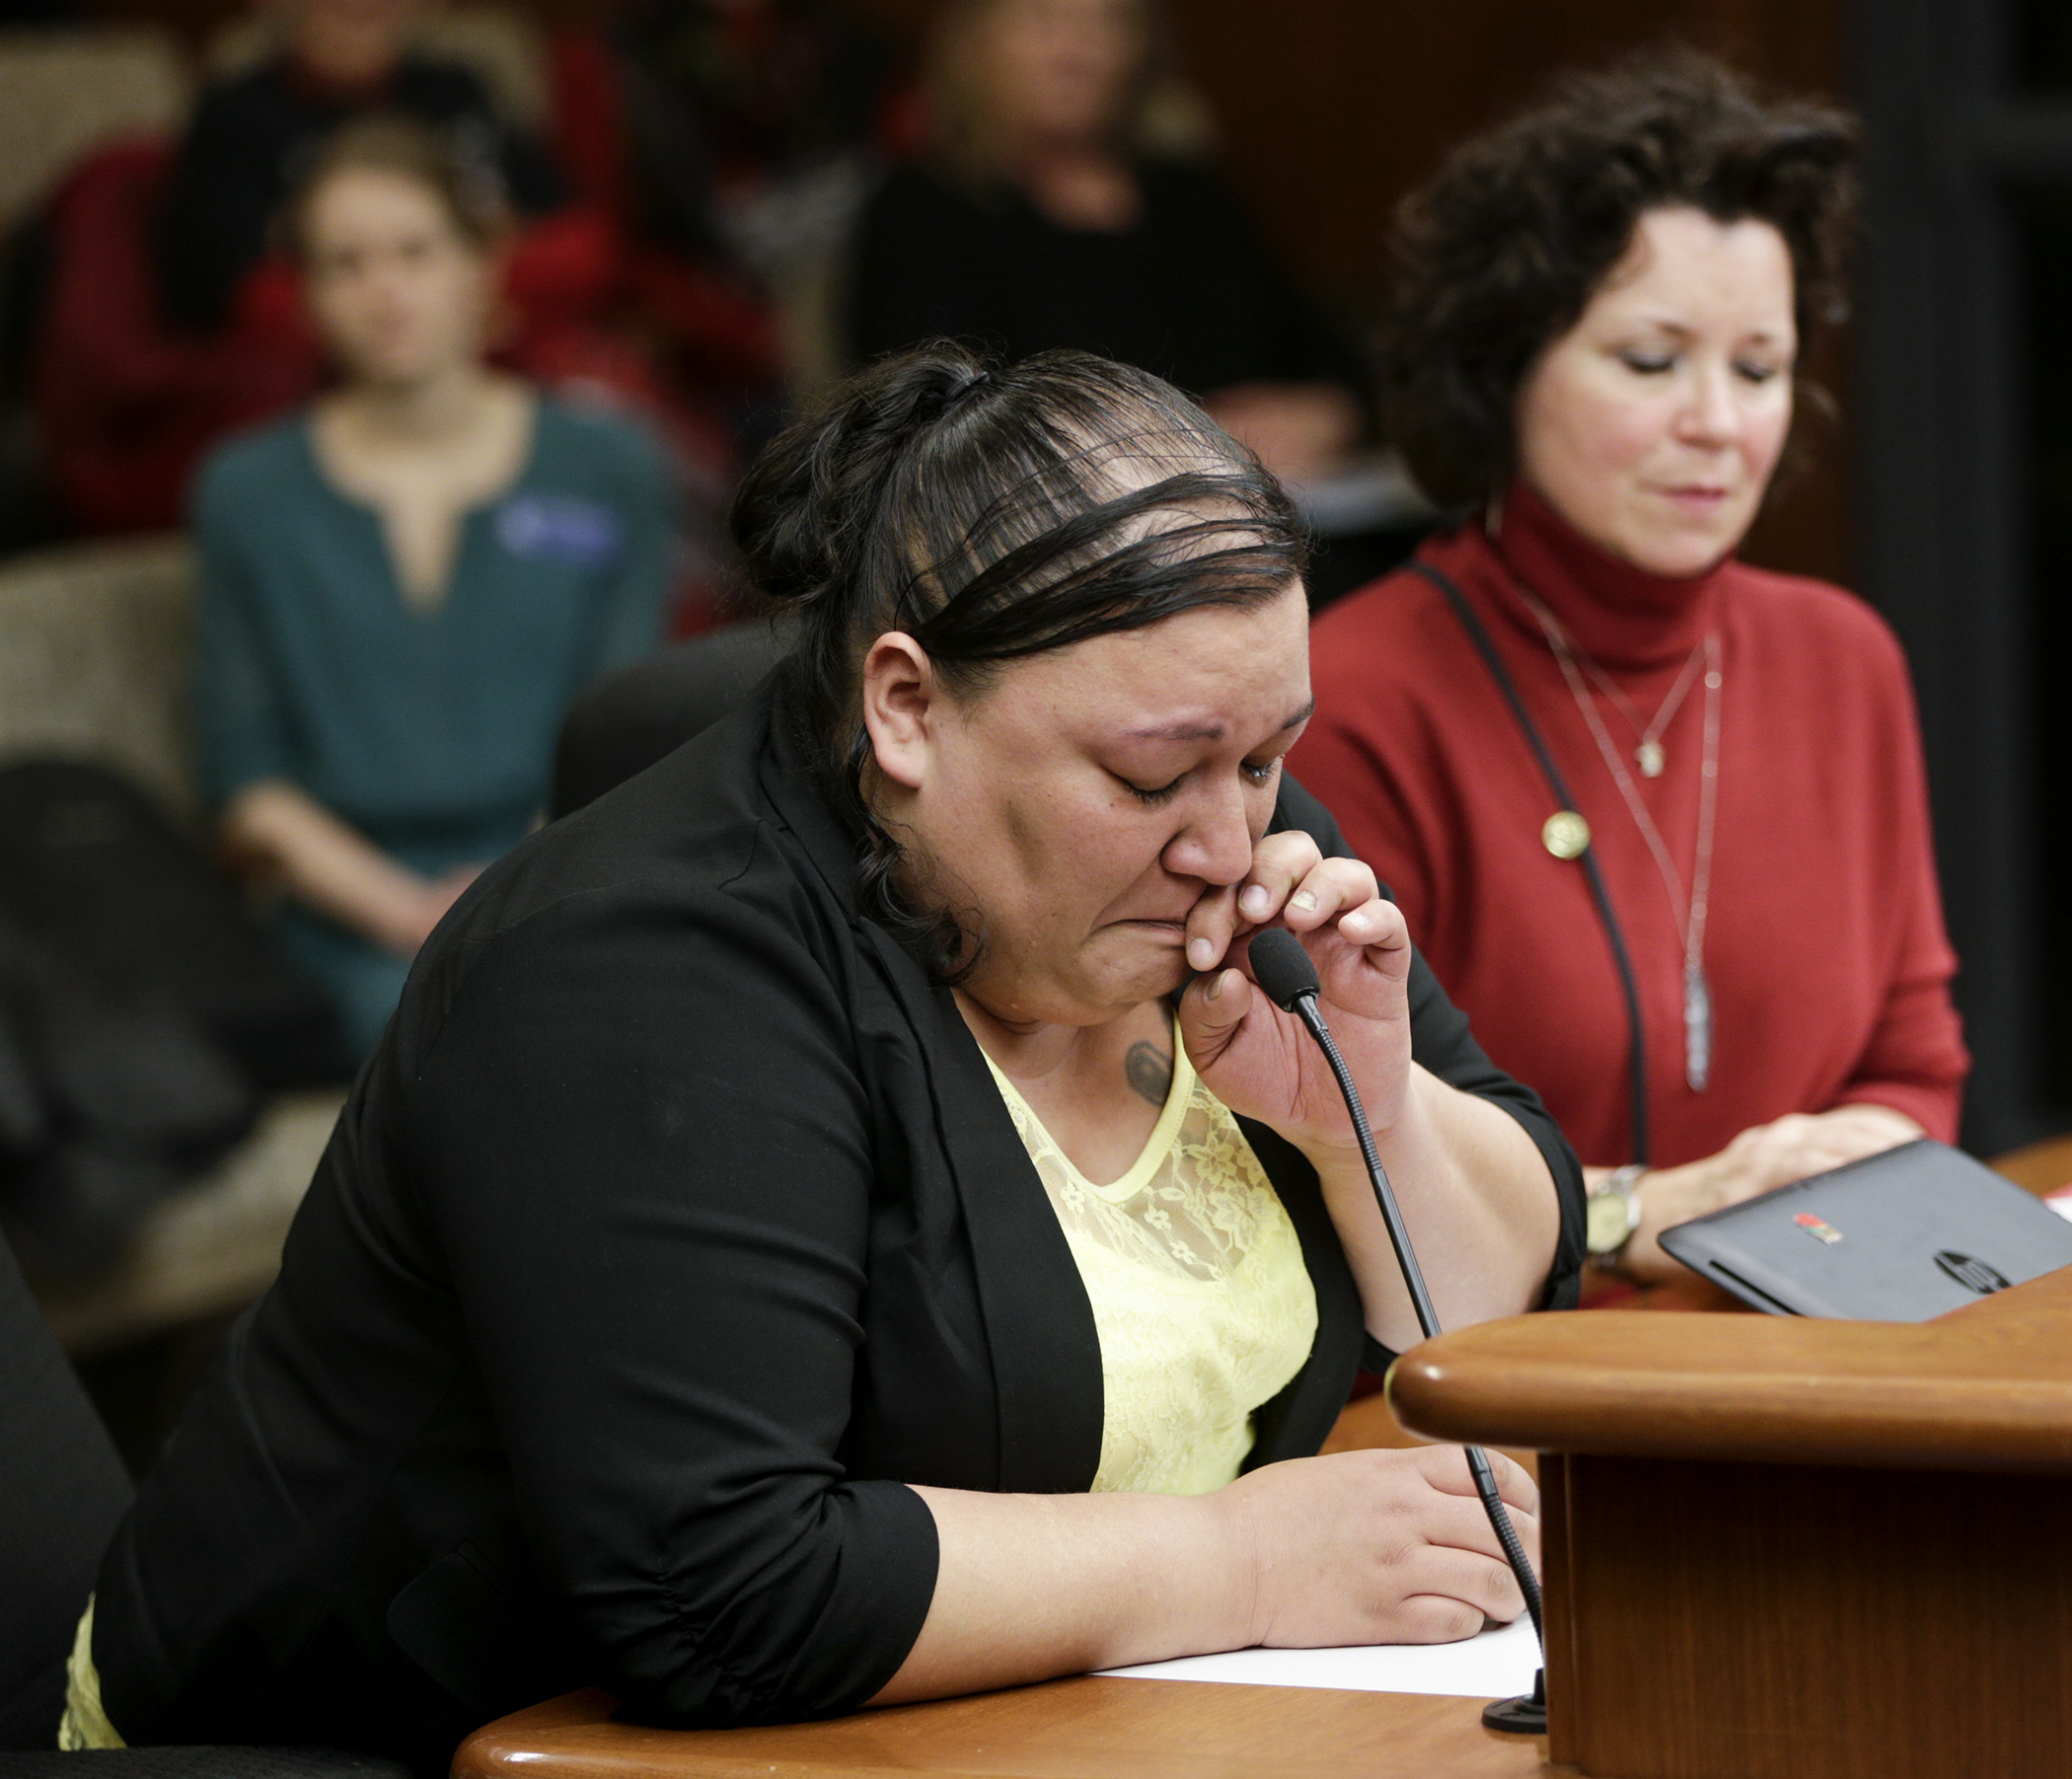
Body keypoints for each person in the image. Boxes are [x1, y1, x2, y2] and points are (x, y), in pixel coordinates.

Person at [72, 346, 1584, 1763]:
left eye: (1266, 757)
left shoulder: (1217, 843)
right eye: (1151, 772)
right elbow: (726, 1586)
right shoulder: (646, 965)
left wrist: (1363, 1114)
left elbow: (1501, 1293)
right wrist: (1252, 1554)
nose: (1231, 833)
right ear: (907, 706)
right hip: (389, 1737)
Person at [1290, 53, 1968, 1300]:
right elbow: (1336, 1155)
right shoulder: (1350, 693)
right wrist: (1633, 1213)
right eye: (1653, 362)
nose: (1716, 421)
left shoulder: (1843, 659)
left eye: (1757, 368)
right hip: (1498, 1393)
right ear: (1506, 366)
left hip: (1826, 1352)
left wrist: (1851, 1164)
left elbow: (1913, 1062)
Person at [193, 116, 672, 1062]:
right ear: (306, 296)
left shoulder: (607, 460)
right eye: (344, 263)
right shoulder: (246, 490)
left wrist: (505, 895)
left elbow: (627, 740)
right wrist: (411, 912)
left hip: (570, 877)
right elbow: (246, 782)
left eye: (415, 251)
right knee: (465, 1035)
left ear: (483, 264)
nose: (384, 291)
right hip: (349, 912)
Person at [847, 0, 1367, 487]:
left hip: (1281, 508)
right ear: (976, 47)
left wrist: (1329, 414)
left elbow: (1330, 351)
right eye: (1041, 22)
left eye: (1106, 23)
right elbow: (931, 423)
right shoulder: (922, 210)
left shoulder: (1191, 198)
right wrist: (1181, 441)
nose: (1075, 53)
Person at [156, 0, 565, 336]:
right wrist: (416, 319)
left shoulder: (458, 89)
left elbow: (575, 235)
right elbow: (225, 298)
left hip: (505, 343)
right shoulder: (234, 118)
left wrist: (466, 302)